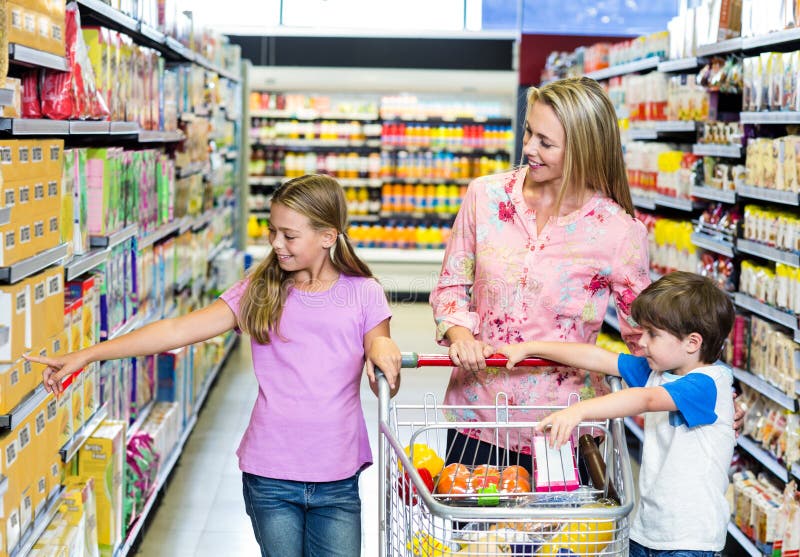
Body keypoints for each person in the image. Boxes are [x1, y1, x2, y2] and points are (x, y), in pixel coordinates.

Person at [28, 174, 402, 557]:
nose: (275, 243)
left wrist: (384, 348)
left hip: (337, 476)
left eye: (289, 236)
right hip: (270, 473)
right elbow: (176, 330)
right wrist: (88, 353)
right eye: (273, 231)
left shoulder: (363, 292)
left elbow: (381, 357)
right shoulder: (259, 290)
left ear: (328, 236)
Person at [429, 76, 651, 470]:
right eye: (529, 131)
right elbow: (452, 286)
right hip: (478, 417)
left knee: (553, 536)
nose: (528, 147)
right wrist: (461, 335)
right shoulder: (485, 196)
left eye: (545, 142)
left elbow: (647, 336)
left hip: (563, 428)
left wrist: (705, 387)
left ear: (584, 150)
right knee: (474, 533)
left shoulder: (619, 232)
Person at [499, 271, 736, 556]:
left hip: (690, 538)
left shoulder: (709, 383)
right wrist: (530, 347)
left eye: (653, 334)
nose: (642, 342)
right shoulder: (659, 372)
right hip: (649, 529)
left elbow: (646, 400)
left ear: (692, 343)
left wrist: (578, 411)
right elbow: (596, 357)